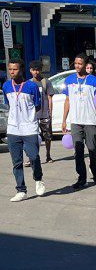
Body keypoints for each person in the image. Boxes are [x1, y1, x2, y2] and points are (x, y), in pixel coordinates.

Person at [4, 60, 44, 201]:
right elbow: (9, 104)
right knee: (17, 162)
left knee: (33, 157)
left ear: (21, 70)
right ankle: (21, 190)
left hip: (29, 128)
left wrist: (28, 118)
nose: (12, 72)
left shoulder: (32, 86)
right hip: (13, 129)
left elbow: (37, 106)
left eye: (15, 69)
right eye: (10, 69)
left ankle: (38, 179)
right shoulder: (6, 86)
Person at [62, 53, 96, 189]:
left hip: (90, 120)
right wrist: (64, 120)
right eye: (76, 63)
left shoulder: (94, 81)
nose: (77, 66)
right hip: (76, 121)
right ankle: (82, 178)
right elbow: (67, 100)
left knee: (92, 148)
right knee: (78, 150)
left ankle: (95, 171)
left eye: (80, 63)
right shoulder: (69, 80)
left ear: (86, 65)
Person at [29, 61, 55, 163]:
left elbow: (50, 98)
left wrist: (50, 112)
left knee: (47, 136)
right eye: (34, 70)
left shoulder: (46, 82)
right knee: (32, 137)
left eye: (38, 70)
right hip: (33, 115)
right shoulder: (28, 83)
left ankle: (48, 155)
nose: (36, 72)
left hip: (44, 114)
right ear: (30, 70)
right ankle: (33, 157)